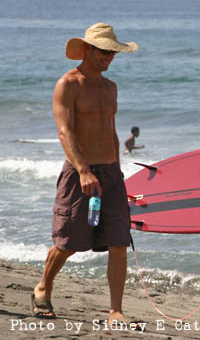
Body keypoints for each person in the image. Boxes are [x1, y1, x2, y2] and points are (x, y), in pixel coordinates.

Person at [31, 23, 138, 324]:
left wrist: (117, 175)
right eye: (104, 51)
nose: (109, 57)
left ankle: (116, 310)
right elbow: (64, 132)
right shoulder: (69, 83)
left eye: (113, 52)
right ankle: (43, 286)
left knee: (118, 240)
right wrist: (83, 170)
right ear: (88, 49)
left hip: (112, 173)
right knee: (69, 241)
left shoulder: (110, 87)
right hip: (80, 172)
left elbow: (112, 134)